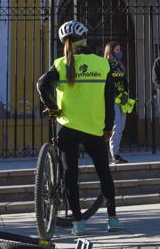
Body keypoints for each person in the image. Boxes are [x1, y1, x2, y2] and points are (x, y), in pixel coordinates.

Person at [36, 20, 121, 234]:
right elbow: (109, 100)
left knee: (69, 174)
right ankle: (112, 218)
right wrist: (108, 127)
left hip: (67, 127)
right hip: (94, 127)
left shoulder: (60, 64)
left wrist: (53, 107)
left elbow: (42, 85)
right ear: (85, 39)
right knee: (104, 172)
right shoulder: (102, 65)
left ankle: (78, 222)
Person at [105, 42, 137, 164]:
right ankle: (114, 153)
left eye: (119, 50)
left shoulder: (120, 65)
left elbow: (124, 81)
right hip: (112, 99)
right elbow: (107, 84)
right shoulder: (106, 65)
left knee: (121, 127)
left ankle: (116, 151)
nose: (119, 53)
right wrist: (117, 94)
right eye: (117, 50)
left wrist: (125, 94)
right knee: (116, 125)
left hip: (123, 99)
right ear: (111, 52)